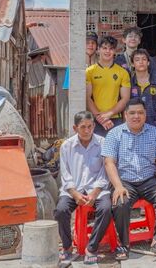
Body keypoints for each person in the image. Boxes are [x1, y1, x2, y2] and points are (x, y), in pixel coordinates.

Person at [102, 99, 156, 261]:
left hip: (149, 179)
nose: (137, 116)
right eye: (132, 113)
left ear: (145, 115)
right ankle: (124, 243)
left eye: (140, 113)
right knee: (120, 202)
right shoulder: (115, 134)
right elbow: (109, 162)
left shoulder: (155, 132)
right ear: (125, 115)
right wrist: (118, 186)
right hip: (125, 181)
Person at [55, 112, 111, 265]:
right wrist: (74, 193)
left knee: (106, 208)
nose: (87, 130)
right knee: (61, 210)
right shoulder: (67, 146)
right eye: (83, 127)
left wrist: (95, 192)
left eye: (90, 126)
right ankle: (67, 247)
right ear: (75, 128)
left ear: (94, 126)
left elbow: (105, 170)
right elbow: (65, 174)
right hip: (73, 189)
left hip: (97, 189)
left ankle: (91, 248)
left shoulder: (103, 142)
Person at [86, 36, 131, 136]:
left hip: (115, 119)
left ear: (115, 51)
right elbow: (87, 97)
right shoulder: (89, 72)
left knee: (116, 151)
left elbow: (125, 98)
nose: (108, 51)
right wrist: (100, 118)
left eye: (111, 48)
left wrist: (109, 114)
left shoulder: (123, 72)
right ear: (98, 50)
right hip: (95, 119)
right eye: (104, 48)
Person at [130, 49, 156, 128]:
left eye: (144, 59)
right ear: (132, 64)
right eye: (137, 60)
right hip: (134, 125)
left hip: (154, 124)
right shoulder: (129, 83)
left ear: (148, 62)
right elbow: (126, 106)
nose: (141, 62)